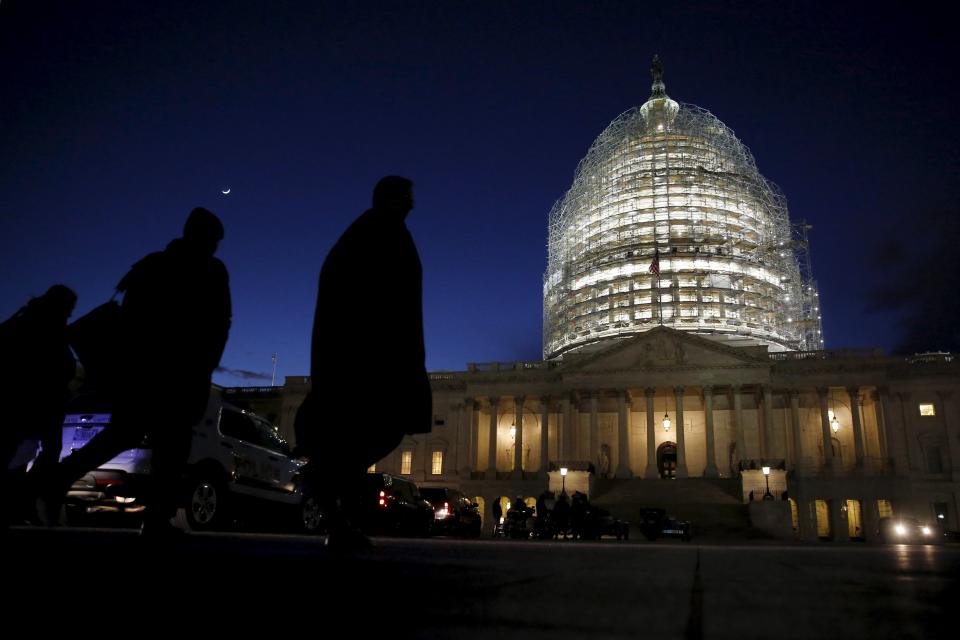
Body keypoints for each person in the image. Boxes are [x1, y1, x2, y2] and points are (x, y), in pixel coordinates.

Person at [39, 209, 231, 538]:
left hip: (143, 372)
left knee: (127, 434)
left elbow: (128, 319)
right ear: (204, 237)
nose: (214, 246)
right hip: (177, 373)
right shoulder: (210, 270)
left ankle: (61, 479)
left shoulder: (152, 264)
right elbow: (219, 323)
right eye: (213, 240)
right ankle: (156, 518)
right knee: (170, 445)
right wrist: (205, 363)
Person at [294, 176, 431, 548]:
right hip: (368, 355)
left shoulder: (381, 232)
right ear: (389, 199)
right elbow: (357, 293)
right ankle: (330, 501)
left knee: (378, 430)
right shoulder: (371, 233)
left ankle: (328, 493)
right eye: (406, 197)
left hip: (379, 351)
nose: (412, 204)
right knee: (374, 428)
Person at [0, 285, 77, 527]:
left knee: (23, 452)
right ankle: (20, 502)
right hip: (34, 401)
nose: (70, 313)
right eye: (68, 308)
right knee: (36, 452)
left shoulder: (24, 321)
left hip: (34, 402)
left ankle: (19, 502)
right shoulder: (43, 328)